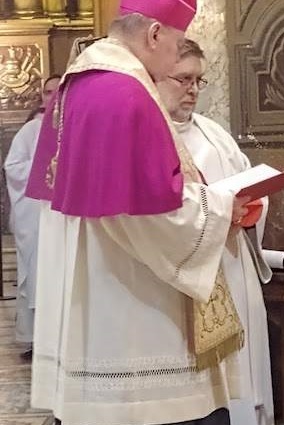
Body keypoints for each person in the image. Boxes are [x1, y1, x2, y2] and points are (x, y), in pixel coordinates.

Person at [25, 2, 256, 424]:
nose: (174, 59)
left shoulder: (83, 82)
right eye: (176, 46)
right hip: (135, 328)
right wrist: (222, 207)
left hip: (98, 301)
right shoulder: (123, 95)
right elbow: (150, 212)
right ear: (153, 35)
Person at [156, 39, 275, 425]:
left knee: (243, 379)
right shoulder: (148, 136)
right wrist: (217, 212)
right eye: (183, 79)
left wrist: (252, 209)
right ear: (157, 76)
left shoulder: (215, 134)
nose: (192, 89)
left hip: (232, 268)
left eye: (198, 80)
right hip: (186, 278)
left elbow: (249, 186)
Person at [4, 74, 61, 361]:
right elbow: (13, 167)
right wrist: (46, 172)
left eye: (58, 92)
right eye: (49, 92)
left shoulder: (74, 127)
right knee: (38, 275)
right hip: (38, 216)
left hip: (65, 215)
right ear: (43, 96)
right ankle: (38, 339)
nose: (53, 98)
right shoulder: (31, 130)